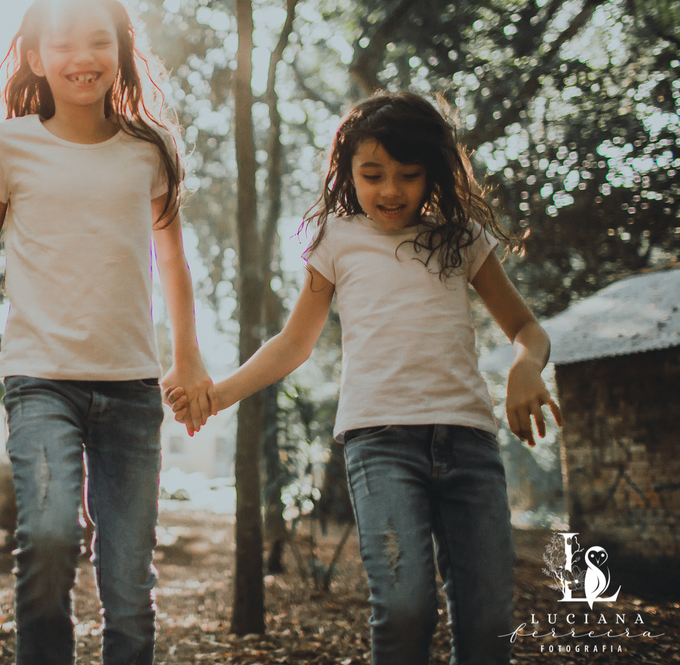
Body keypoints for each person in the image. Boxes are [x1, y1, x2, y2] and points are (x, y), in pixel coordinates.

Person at [171, 92, 561, 665]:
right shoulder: (336, 238)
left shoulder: (460, 237)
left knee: (488, 621)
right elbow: (293, 343)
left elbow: (527, 327)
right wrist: (220, 395)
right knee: (404, 608)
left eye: (409, 174)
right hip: (380, 445)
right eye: (372, 174)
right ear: (347, 172)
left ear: (433, 171)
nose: (390, 190)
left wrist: (526, 366)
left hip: (468, 444)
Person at [0, 0, 214, 665]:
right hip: (40, 380)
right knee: (45, 535)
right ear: (37, 58)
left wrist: (187, 358)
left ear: (120, 51)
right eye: (64, 44)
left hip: (131, 387)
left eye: (99, 41)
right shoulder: (11, 144)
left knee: (128, 577)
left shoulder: (148, 148)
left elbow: (172, 261)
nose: (83, 57)